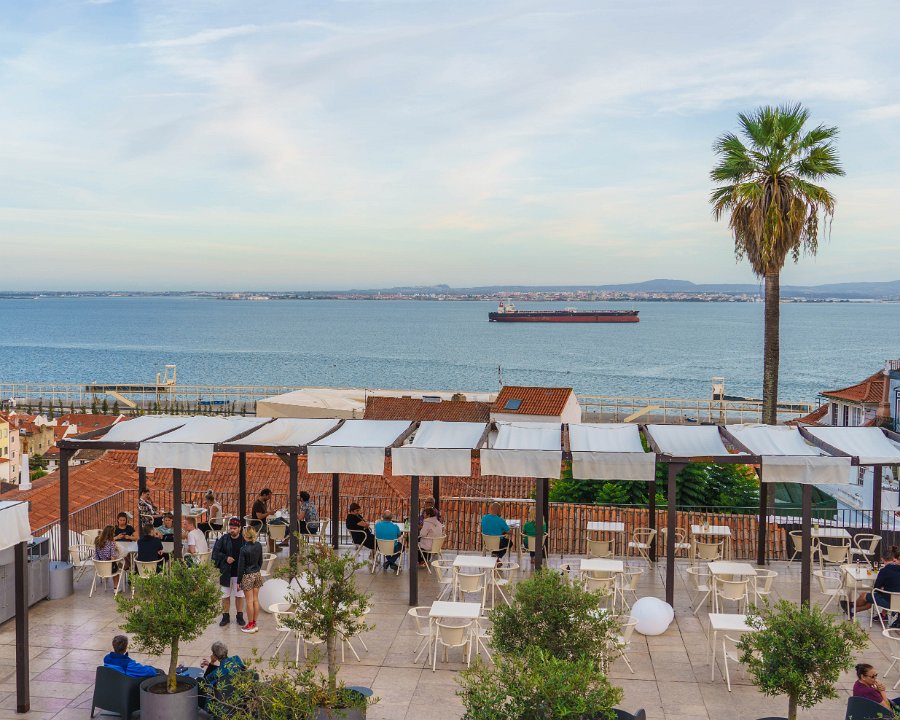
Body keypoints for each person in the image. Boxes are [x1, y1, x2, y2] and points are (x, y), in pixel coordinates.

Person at [846, 545, 900, 625]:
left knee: (864, 596)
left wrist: (882, 588)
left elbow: (876, 588)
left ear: (882, 559)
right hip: (897, 602)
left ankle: (851, 608)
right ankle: (852, 610)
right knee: (870, 601)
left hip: (890, 603)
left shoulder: (884, 571)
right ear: (894, 559)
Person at [211, 518, 246, 627]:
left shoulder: (244, 540)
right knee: (225, 596)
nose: (232, 530)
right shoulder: (224, 539)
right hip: (226, 573)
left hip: (239, 573)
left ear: (239, 528)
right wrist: (226, 558)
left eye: (234, 528)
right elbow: (215, 553)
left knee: (239, 596)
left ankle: (239, 616)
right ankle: (225, 616)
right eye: (231, 528)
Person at [200, 641, 246, 711]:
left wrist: (212, 662)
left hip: (224, 701)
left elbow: (204, 682)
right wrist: (210, 665)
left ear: (215, 656)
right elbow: (228, 669)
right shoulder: (236, 659)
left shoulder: (217, 673)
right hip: (240, 696)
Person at [237, 527, 264, 634]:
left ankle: (250, 624)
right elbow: (261, 561)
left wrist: (238, 581)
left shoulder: (243, 549)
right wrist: (257, 570)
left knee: (249, 601)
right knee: (255, 600)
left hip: (247, 575)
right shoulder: (258, 545)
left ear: (245, 536)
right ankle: (255, 623)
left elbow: (241, 567)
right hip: (257, 574)